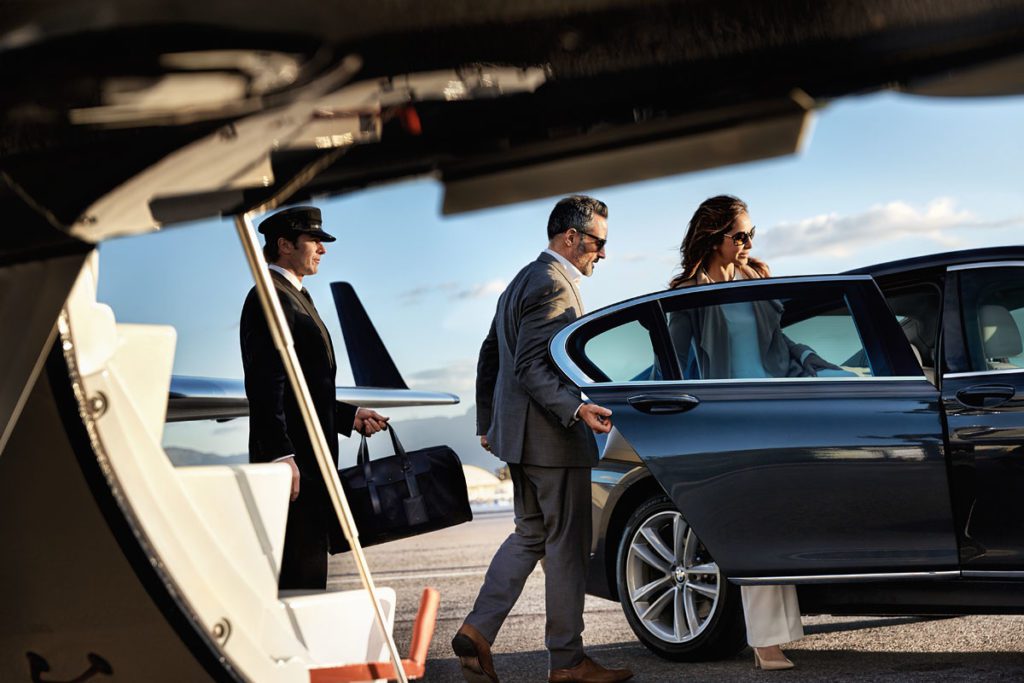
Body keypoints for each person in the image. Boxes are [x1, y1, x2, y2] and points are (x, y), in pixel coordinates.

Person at [452, 196, 632, 683]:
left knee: (530, 533)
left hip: (518, 439)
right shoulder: (554, 284)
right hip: (551, 440)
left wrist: (488, 422)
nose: (602, 254)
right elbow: (531, 366)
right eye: (598, 243)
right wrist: (576, 408)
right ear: (570, 238)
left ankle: (478, 629)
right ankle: (568, 662)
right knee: (567, 547)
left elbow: (491, 354)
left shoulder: (519, 281)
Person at [669, 194, 828, 669]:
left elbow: (778, 341)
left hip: (776, 408)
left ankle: (775, 633)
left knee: (777, 522)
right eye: (740, 235)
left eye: (752, 234)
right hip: (730, 418)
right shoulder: (689, 291)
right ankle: (764, 640)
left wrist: (814, 363)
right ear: (713, 237)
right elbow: (672, 362)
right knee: (755, 525)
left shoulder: (756, 277)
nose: (748, 242)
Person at [240, 205, 388, 591]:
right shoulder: (269, 298)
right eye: (314, 240)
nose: (323, 249)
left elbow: (300, 385)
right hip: (295, 464)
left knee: (308, 568)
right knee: (298, 574)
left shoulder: (295, 295)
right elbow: (265, 383)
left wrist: (346, 417)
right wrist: (280, 455)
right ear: (284, 244)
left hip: (310, 458)